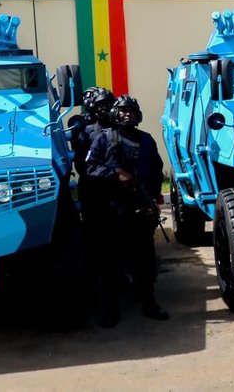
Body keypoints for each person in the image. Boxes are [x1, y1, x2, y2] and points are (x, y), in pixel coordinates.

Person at [82, 95, 170, 326]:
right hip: (112, 212)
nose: (127, 114)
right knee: (110, 263)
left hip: (140, 210)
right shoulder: (103, 138)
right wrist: (115, 174)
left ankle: (149, 303)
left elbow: (157, 169)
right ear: (115, 114)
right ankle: (110, 310)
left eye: (131, 110)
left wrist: (154, 196)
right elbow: (90, 168)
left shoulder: (146, 140)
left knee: (145, 261)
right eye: (123, 110)